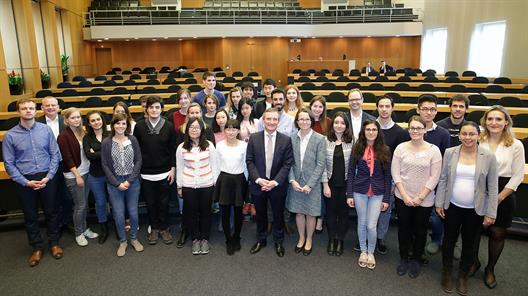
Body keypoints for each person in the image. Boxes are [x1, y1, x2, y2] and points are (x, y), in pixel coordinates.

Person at [435, 121, 498, 295]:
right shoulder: (450, 153)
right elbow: (443, 179)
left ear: (478, 135)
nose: (468, 137)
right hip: (452, 206)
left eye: (472, 134)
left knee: (470, 244)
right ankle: (447, 271)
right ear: (459, 135)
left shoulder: (489, 156)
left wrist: (491, 212)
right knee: (448, 241)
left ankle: (463, 275)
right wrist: (439, 202)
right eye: (464, 134)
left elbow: (493, 187)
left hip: (475, 209)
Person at [2, 98, 63, 267]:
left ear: (36, 111)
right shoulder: (10, 136)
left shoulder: (45, 130)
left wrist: (49, 176)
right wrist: (25, 182)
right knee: (30, 216)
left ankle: (54, 243)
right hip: (25, 180)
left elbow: (55, 155)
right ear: (18, 112)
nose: (28, 111)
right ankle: (36, 247)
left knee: (52, 212)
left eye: (31, 108)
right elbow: (9, 163)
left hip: (47, 177)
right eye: (24, 108)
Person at [470, 105, 525, 289]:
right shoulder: (478, 140)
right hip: (479, 188)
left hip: (504, 191)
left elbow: (517, 175)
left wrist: (498, 198)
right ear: (485, 121)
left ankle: (490, 268)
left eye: (498, 119)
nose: (494, 123)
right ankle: (474, 262)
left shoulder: (515, 144)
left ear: (506, 122)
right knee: (474, 230)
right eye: (490, 119)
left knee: (497, 233)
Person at [391, 115, 442, 279]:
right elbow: (395, 173)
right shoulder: (401, 148)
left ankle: (416, 259)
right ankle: (404, 258)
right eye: (412, 128)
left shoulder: (433, 150)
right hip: (402, 196)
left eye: (419, 128)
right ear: (408, 129)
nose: (415, 131)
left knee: (420, 230)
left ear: (424, 130)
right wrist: (405, 195)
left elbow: (435, 177)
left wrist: (420, 197)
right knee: (404, 228)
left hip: (425, 199)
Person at [246, 108, 294, 257]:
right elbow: (250, 161)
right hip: (258, 184)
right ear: (263, 120)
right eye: (269, 119)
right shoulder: (254, 138)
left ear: (278, 122)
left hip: (277, 185)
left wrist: (274, 182)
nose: (272, 122)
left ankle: (279, 241)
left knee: (278, 214)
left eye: (275, 119)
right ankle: (261, 239)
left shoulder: (285, 139)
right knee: (260, 215)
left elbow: (287, 164)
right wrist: (259, 180)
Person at [347, 120, 391, 269]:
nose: (371, 132)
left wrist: (386, 198)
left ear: (378, 132)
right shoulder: (357, 148)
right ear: (363, 132)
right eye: (368, 129)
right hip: (359, 191)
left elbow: (387, 176)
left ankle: (371, 252)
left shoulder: (385, 150)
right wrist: (349, 194)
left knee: (372, 226)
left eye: (374, 129)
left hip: (377, 192)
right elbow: (351, 172)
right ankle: (363, 251)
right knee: (362, 222)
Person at [133, 95, 176, 245]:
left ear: (161, 109)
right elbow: (136, 150)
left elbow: (172, 149)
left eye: (157, 107)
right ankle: (155, 228)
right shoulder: (139, 126)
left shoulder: (169, 126)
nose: (154, 110)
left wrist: (173, 168)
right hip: (146, 172)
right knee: (150, 202)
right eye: (151, 107)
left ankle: (164, 227)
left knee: (164, 202)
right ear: (146, 109)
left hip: (165, 171)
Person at [101, 113, 144, 257]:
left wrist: (129, 181)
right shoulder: (107, 142)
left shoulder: (132, 139)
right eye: (118, 123)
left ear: (127, 125)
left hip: (132, 181)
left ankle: (133, 238)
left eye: (124, 124)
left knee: (132, 212)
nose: (121, 126)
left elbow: (138, 160)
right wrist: (116, 183)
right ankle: (122, 241)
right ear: (113, 125)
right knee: (118, 214)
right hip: (115, 183)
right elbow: (105, 165)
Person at [176, 117, 219, 255]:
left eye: (197, 127)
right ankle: (195, 239)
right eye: (191, 127)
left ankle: (205, 239)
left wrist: (215, 184)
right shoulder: (181, 147)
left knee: (206, 212)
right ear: (187, 130)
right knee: (191, 213)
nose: (194, 130)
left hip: (207, 184)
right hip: (188, 185)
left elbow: (215, 165)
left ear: (202, 130)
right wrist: (179, 186)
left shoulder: (209, 145)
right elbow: (180, 167)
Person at [286, 109, 326, 256]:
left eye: (307, 119)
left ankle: (309, 239)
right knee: (298, 213)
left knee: (311, 213)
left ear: (311, 121)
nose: (304, 122)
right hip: (296, 182)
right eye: (301, 119)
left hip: (312, 184)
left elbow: (321, 164)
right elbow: (288, 162)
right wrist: (291, 180)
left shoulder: (320, 139)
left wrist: (310, 184)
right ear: (297, 121)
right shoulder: (291, 138)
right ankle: (301, 238)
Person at [57, 108, 99, 247]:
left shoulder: (83, 132)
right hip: (74, 175)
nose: (77, 120)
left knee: (84, 203)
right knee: (79, 206)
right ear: (67, 120)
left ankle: (85, 228)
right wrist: (77, 176)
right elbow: (67, 158)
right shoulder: (63, 136)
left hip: (87, 171)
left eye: (78, 117)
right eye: (73, 118)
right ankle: (78, 233)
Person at [417, 94, 451, 257]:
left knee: (437, 216)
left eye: (432, 109)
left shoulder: (443, 134)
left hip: (435, 183)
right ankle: (416, 244)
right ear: (418, 110)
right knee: (418, 218)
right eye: (425, 109)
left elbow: (445, 161)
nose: (428, 113)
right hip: (415, 182)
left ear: (436, 112)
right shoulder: (412, 130)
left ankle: (437, 239)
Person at [375, 95, 409, 255]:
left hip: (388, 178)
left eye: (387, 106)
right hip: (369, 177)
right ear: (377, 108)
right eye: (381, 106)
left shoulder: (400, 133)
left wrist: (395, 183)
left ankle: (380, 238)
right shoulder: (370, 126)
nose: (384, 109)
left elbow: (400, 160)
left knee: (384, 209)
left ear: (392, 108)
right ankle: (367, 236)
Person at [36, 97, 72, 234]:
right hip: (47, 165)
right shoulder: (37, 122)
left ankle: (66, 222)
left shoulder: (66, 121)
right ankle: (55, 225)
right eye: (47, 105)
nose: (50, 108)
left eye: (53, 105)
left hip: (66, 163)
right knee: (52, 197)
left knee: (67, 197)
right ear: (42, 108)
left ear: (58, 107)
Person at [322, 112, 354, 256]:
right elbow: (322, 164)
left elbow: (354, 167)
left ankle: (340, 239)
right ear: (332, 124)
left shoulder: (352, 141)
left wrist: (351, 189)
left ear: (346, 125)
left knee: (343, 214)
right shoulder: (325, 140)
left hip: (346, 184)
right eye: (336, 122)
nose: (339, 125)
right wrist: (325, 185)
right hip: (330, 184)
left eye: (342, 123)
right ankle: (331, 238)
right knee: (330, 213)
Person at [214, 119, 248, 255]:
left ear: (238, 130)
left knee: (239, 212)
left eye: (234, 129)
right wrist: (217, 182)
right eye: (228, 129)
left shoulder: (244, 145)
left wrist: (246, 181)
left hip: (239, 179)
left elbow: (246, 165)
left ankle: (236, 237)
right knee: (225, 212)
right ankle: (228, 239)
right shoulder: (219, 145)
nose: (231, 132)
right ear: (225, 131)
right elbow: (216, 164)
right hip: (224, 180)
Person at [82, 111, 110, 244]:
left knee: (115, 202)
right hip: (95, 175)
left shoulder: (110, 134)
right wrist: (104, 152)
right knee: (100, 203)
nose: (96, 122)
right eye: (92, 121)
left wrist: (96, 152)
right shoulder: (87, 138)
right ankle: (103, 227)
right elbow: (89, 156)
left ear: (102, 120)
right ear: (89, 123)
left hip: (112, 174)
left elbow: (114, 153)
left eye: (98, 119)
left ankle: (117, 224)